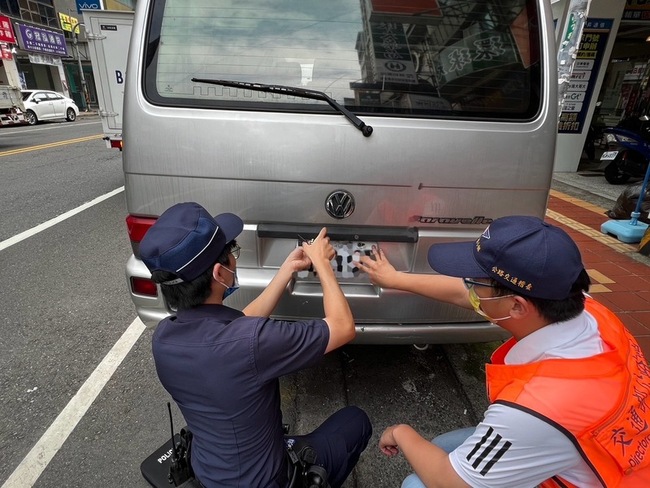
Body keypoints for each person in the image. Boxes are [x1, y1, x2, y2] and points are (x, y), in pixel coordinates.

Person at [357, 215, 650, 488]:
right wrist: (395, 280)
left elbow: (453, 482)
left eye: (475, 282)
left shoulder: (539, 406)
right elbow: (469, 294)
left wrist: (399, 431)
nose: (469, 289)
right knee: (446, 444)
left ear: (517, 307)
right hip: (593, 458)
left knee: (417, 484)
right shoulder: (586, 311)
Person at [139, 202, 371, 488]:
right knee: (355, 422)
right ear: (219, 274)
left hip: (208, 472)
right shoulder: (251, 344)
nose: (233, 260)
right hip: (267, 480)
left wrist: (286, 271)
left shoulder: (164, 338)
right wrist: (323, 264)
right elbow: (343, 327)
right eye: (230, 254)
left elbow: (235, 332)